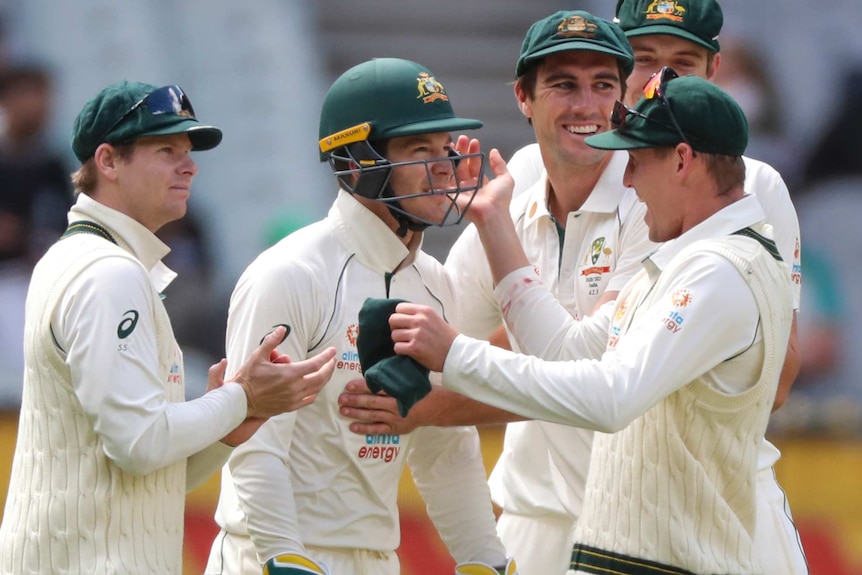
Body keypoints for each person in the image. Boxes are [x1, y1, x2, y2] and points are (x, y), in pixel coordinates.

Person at [391, 73, 794, 575]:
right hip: (639, 559)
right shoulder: (688, 260)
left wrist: (455, 355)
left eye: (637, 163)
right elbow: (571, 359)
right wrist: (497, 226)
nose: (626, 181)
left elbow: (609, 398)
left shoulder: (720, 270)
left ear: (683, 161)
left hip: (674, 562)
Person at [474, 2, 807, 572]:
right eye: (645, 61)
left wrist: (456, 365)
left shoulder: (732, 190)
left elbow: (771, 380)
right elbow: (475, 327)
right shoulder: (531, 170)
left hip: (691, 512)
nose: (660, 80)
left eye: (684, 64)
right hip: (548, 515)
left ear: (715, 70)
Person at [339, 11, 658, 575]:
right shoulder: (518, 185)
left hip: (644, 525)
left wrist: (424, 407)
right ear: (522, 97)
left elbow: (587, 370)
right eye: (563, 84)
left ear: (623, 98)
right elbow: (438, 328)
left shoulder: (655, 200)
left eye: (603, 85)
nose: (586, 104)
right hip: (531, 520)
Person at [0, 81, 338, 575]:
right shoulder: (109, 273)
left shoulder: (88, 260)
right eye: (166, 150)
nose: (190, 165)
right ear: (109, 161)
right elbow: (140, 445)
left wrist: (229, 427)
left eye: (188, 151)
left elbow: (150, 468)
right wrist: (240, 396)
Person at [204, 58, 515, 575]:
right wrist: (284, 556)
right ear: (357, 162)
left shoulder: (435, 284)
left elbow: (442, 444)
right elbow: (256, 435)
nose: (444, 167)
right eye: (420, 150)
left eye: (444, 149)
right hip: (267, 557)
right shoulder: (291, 273)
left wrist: (485, 557)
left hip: (375, 559)